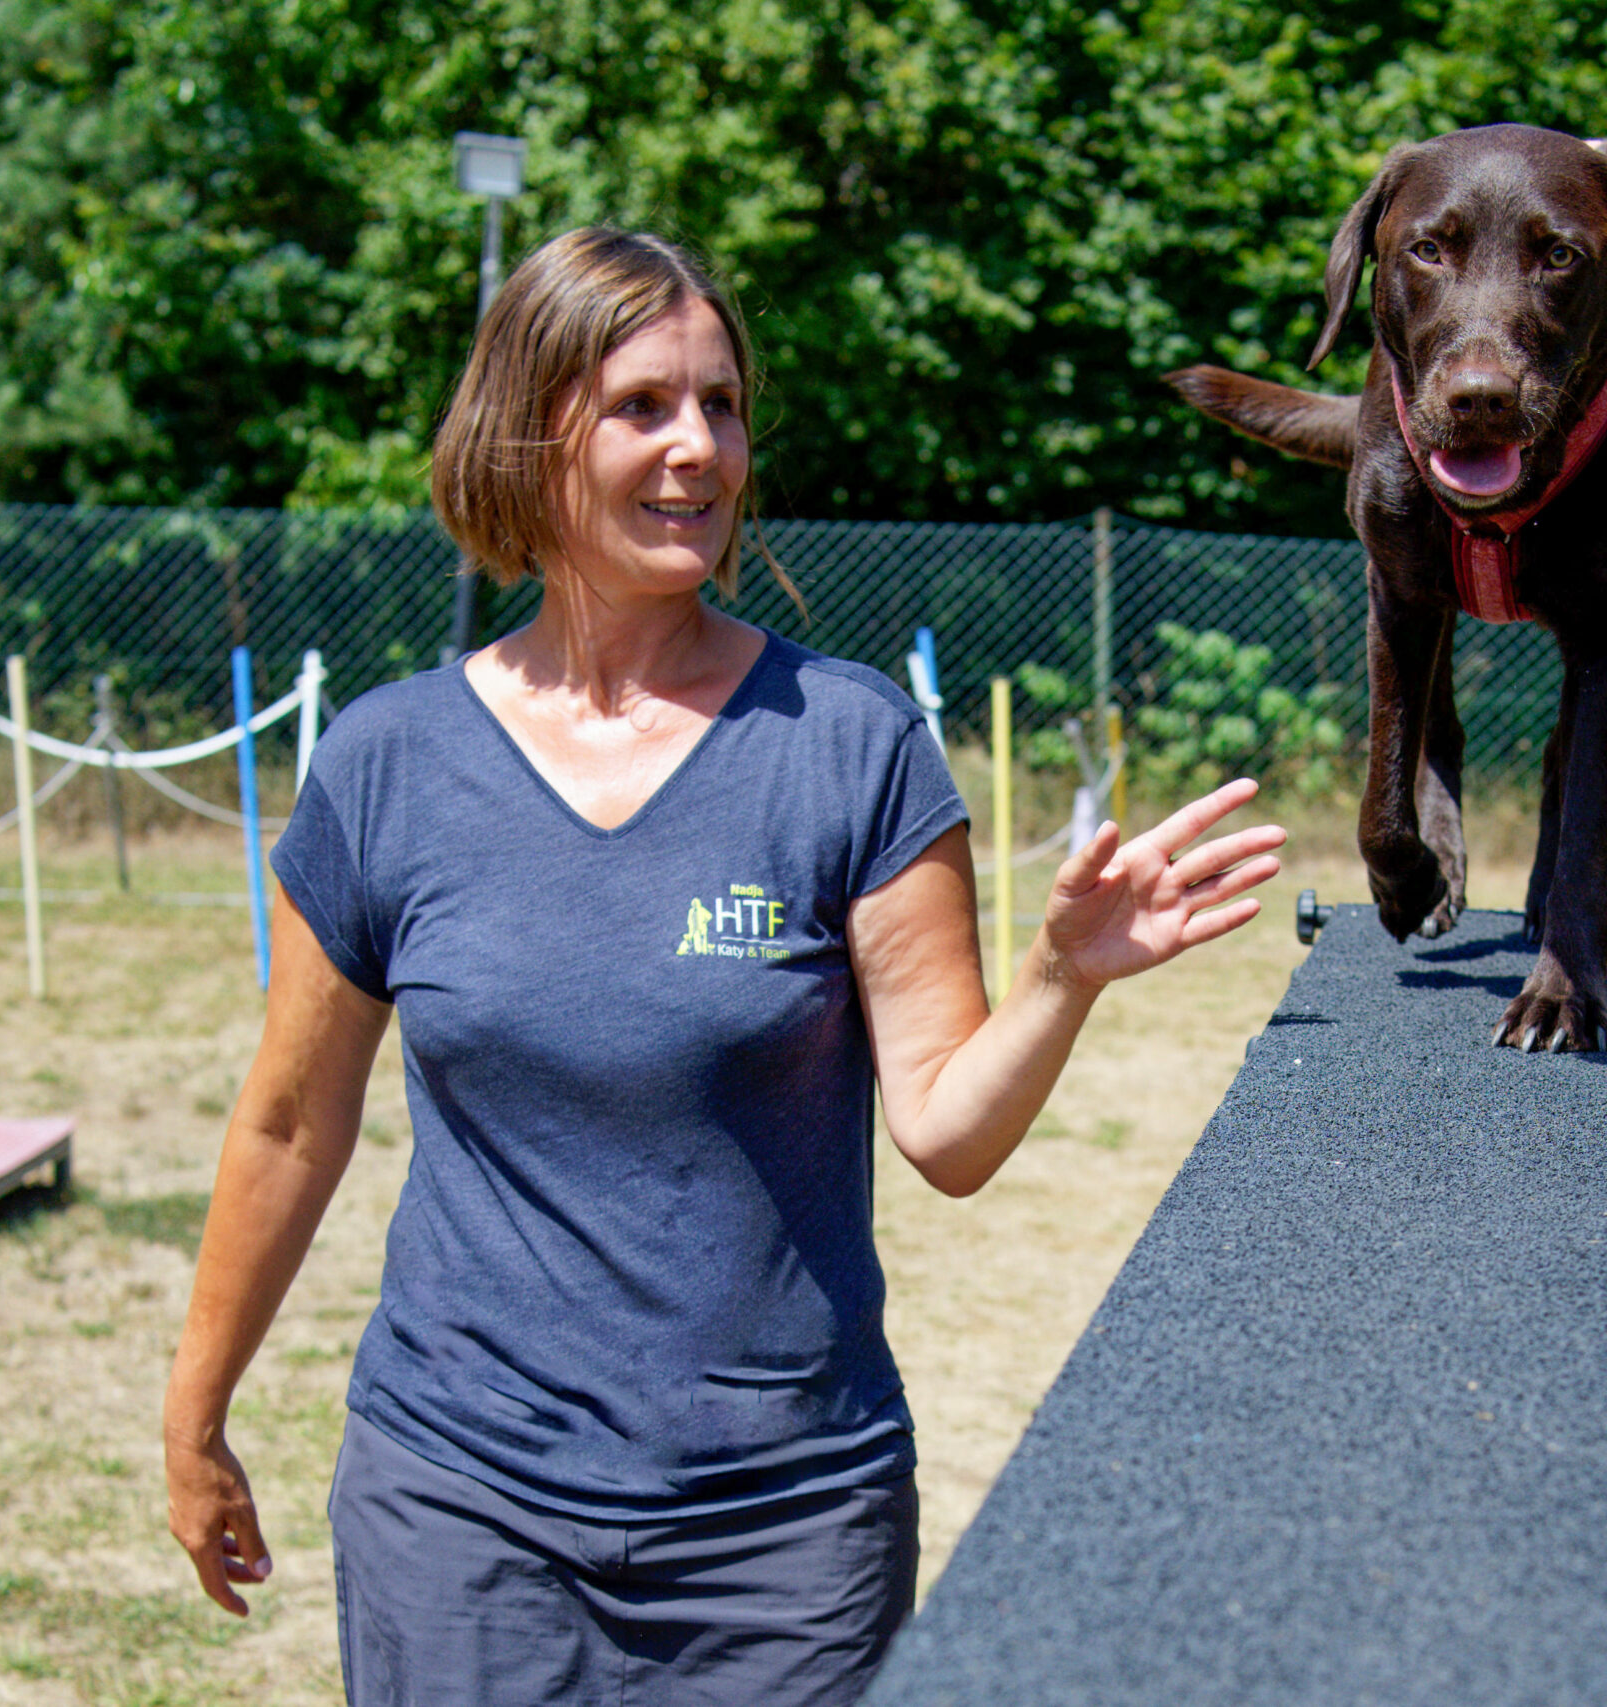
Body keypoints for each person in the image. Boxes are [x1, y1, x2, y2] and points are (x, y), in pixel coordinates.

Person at [161, 226, 1283, 1706]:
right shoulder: (387, 764)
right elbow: (290, 1126)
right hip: (462, 1506)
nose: (699, 449)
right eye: (643, 407)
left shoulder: (851, 744)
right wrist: (195, 1413)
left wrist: (1062, 976)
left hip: (786, 1533)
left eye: (724, 406)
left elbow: (946, 1133)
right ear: (527, 429)